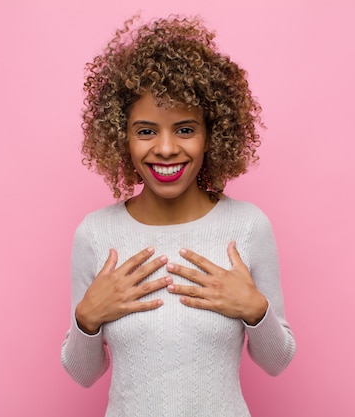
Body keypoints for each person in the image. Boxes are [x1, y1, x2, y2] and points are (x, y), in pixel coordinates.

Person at [61, 15, 295, 416]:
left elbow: (277, 362)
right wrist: (86, 319)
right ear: (122, 136)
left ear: (213, 134)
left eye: (185, 130)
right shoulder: (96, 234)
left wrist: (255, 310)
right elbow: (84, 375)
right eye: (146, 131)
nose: (166, 149)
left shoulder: (247, 227)